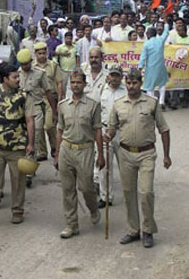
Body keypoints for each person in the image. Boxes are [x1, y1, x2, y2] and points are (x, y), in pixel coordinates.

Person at [104, 68, 171, 248]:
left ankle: (148, 230)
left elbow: (164, 129)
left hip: (147, 153)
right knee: (128, 193)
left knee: (146, 192)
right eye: (128, 83)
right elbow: (112, 127)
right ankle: (133, 230)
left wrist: (167, 155)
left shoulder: (151, 103)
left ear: (141, 84)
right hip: (125, 153)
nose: (131, 86)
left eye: (134, 83)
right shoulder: (118, 104)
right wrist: (108, 135)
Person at [0, 64, 36, 227]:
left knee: (18, 180)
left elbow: (30, 121)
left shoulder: (24, 96)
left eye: (18, 77)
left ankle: (17, 211)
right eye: (14, 77)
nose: (18, 80)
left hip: (17, 146)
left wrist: (31, 144)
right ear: (4, 79)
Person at [53, 69, 104, 239]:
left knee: (86, 187)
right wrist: (57, 152)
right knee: (68, 190)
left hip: (85, 150)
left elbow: (97, 130)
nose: (75, 85)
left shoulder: (93, 105)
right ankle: (71, 224)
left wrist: (101, 154)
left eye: (78, 82)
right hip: (67, 149)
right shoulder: (63, 105)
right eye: (73, 82)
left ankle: (93, 208)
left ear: (84, 84)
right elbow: (60, 129)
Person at [18, 48, 56, 186]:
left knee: (35, 135)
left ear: (30, 61)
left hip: (37, 107)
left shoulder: (40, 74)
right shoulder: (16, 74)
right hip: (21, 110)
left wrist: (54, 111)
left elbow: (48, 92)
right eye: (22, 65)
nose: (24, 67)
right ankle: (25, 164)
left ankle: (29, 171)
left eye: (26, 64)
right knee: (23, 138)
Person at [97, 65, 127, 208]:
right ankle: (105, 196)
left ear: (121, 77)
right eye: (112, 75)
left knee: (125, 167)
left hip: (121, 132)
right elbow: (97, 109)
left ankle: (129, 194)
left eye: (117, 76)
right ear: (108, 76)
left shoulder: (126, 91)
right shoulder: (102, 90)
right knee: (104, 167)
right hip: (105, 131)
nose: (114, 78)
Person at [33, 42, 62, 161]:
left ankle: (55, 147)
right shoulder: (32, 67)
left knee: (50, 125)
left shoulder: (53, 65)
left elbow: (59, 82)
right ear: (35, 54)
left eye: (44, 53)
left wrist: (60, 100)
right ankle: (42, 152)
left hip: (51, 98)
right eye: (39, 53)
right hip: (36, 99)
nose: (42, 56)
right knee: (38, 127)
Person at [139, 13, 170, 109]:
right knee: (162, 83)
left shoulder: (146, 44)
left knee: (149, 86)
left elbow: (143, 57)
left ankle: (152, 103)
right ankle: (161, 102)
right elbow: (166, 32)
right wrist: (166, 22)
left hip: (151, 67)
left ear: (147, 34)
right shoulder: (160, 40)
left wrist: (140, 67)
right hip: (161, 66)